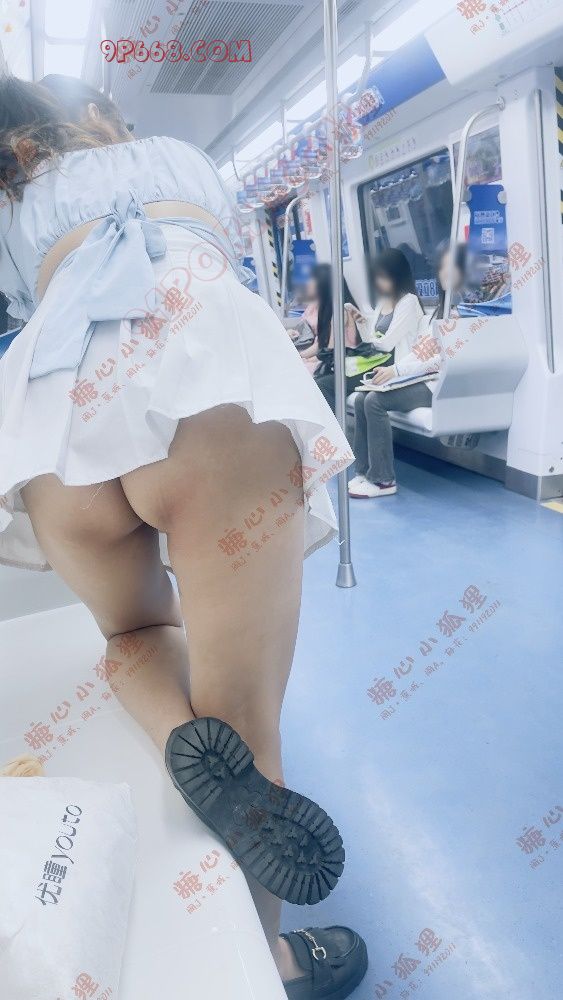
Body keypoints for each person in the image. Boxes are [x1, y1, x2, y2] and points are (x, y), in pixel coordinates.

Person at [0, 77, 368, 999]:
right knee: (244, 713)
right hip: (202, 365)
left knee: (134, 634)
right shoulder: (168, 159)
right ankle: (273, 958)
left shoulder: (11, 220)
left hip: (52, 410)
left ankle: (179, 739)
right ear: (91, 121)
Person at [349, 242, 466, 498]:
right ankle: (364, 471)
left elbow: (439, 361)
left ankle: (383, 480)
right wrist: (396, 370)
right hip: (421, 377)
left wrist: (397, 371)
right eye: (442, 268)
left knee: (375, 402)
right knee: (361, 398)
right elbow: (421, 351)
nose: (445, 274)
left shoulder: (462, 316)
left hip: (437, 385)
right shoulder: (437, 313)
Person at [296, 263, 365, 400]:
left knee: (299, 373)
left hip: (344, 363)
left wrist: (302, 356)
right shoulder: (324, 307)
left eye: (312, 280)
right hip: (334, 359)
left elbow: (329, 349)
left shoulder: (340, 311)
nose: (308, 284)